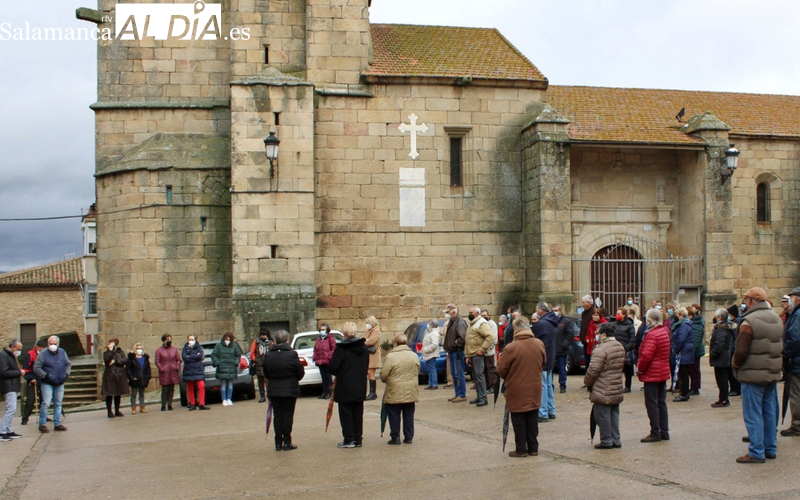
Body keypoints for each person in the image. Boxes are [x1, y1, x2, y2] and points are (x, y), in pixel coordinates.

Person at [732, 287, 783, 464]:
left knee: (753, 413)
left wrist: (736, 366)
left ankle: (756, 451)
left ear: (750, 302)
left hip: (753, 373)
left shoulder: (749, 321)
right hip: (771, 372)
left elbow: (741, 350)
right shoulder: (776, 318)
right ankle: (770, 447)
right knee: (769, 412)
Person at [497, 317, 546, 457]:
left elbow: (501, 369)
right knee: (532, 417)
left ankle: (521, 449)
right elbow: (544, 362)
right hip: (535, 385)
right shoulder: (539, 343)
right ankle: (533, 447)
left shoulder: (511, 347)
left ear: (516, 330)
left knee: (518, 418)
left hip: (516, 387)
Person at [262, 330, 304, 451]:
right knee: (287, 415)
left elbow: (266, 372)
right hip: (289, 388)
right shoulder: (292, 354)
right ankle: (287, 441)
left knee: (278, 415)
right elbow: (299, 372)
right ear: (287, 340)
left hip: (274, 388)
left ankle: (278, 441)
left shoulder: (269, 355)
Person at [584, 323, 625, 449]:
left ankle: (606, 440)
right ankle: (615, 439)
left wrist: (587, 382)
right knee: (614, 414)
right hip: (616, 385)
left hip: (602, 387)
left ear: (604, 335)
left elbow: (594, 370)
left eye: (598, 333)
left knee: (602, 415)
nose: (596, 335)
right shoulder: (619, 346)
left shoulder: (600, 349)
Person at [329, 321, 369, 448]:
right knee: (358, 413)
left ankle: (349, 439)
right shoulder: (364, 348)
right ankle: (358, 438)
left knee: (346, 413)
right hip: (359, 384)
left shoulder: (342, 349)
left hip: (345, 385)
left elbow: (333, 368)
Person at [637, 309, 671, 442]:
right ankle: (664, 431)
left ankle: (655, 432)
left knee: (652, 403)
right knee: (661, 402)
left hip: (653, 372)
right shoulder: (663, 332)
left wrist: (640, 368)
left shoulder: (652, 335)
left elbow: (647, 355)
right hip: (662, 371)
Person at [381, 332, 421, 445]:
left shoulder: (390, 357)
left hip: (394, 389)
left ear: (395, 343)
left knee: (394, 414)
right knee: (408, 414)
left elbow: (384, 375)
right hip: (410, 389)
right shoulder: (414, 355)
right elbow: (417, 370)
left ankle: (395, 437)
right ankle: (409, 436)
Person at [33, 336, 71, 433]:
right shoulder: (43, 354)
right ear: (47, 344)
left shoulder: (62, 352)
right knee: (46, 403)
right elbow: (37, 368)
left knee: (58, 403)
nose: (53, 346)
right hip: (47, 382)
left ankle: (57, 423)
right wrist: (45, 376)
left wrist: (66, 374)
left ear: (58, 344)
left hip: (60, 382)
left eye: (55, 344)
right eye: (51, 344)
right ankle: (42, 424)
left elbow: (68, 364)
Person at [532, 302, 558, 421]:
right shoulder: (552, 322)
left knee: (542, 385)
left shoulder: (541, 324)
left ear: (540, 311)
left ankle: (543, 413)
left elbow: (533, 340)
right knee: (547, 384)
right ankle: (551, 410)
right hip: (550, 357)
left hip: (542, 358)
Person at [780, 286, 800, 436]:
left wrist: (786, 355)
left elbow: (794, 338)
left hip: (797, 361)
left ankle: (797, 425)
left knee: (796, 394)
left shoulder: (797, 315)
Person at [465, 306, 493, 407]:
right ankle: (479, 396)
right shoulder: (472, 324)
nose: (469, 314)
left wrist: (482, 349)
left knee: (480, 376)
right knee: (476, 377)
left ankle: (483, 398)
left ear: (476, 313)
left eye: (471, 312)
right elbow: (468, 341)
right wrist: (468, 355)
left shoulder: (481, 323)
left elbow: (490, 337)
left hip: (477, 354)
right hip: (472, 354)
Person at [709, 308, 735, 408]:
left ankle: (724, 399)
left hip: (721, 358)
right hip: (723, 357)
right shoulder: (724, 328)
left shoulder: (722, 329)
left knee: (722, 380)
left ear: (719, 317)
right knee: (722, 379)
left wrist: (713, 353)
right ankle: (723, 398)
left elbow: (719, 345)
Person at [442, 303, 468, 403]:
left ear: (453, 311)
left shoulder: (459, 322)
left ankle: (462, 394)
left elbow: (462, 337)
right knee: (454, 373)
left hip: (457, 351)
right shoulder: (452, 321)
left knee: (458, 373)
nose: (447, 314)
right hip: (452, 350)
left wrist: (455, 344)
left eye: (448, 312)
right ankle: (457, 393)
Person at [0, 340, 24, 441]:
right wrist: (19, 372)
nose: (19, 351)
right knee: (11, 409)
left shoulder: (10, 356)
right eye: (18, 349)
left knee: (10, 409)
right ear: (12, 347)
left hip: (12, 385)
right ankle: (2, 432)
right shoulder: (4, 356)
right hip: (8, 386)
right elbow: (4, 372)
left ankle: (9, 430)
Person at [211, 332, 243, 406]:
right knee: (223, 384)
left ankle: (229, 399)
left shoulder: (234, 346)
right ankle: (224, 399)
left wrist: (236, 362)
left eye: (229, 339)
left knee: (230, 385)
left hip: (231, 368)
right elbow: (213, 355)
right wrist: (217, 362)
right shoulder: (219, 346)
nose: (227, 340)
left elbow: (238, 355)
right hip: (222, 368)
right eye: (226, 339)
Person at [20, 339, 46, 425]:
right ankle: (25, 418)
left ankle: (43, 416)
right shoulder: (30, 354)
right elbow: (26, 368)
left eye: (43, 347)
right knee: (30, 401)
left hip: (43, 380)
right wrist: (30, 378)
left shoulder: (46, 355)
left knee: (44, 401)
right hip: (33, 380)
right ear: (36, 347)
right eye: (40, 347)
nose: (41, 349)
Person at [101, 338, 129, 418]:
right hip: (110, 376)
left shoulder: (120, 352)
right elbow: (107, 360)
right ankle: (109, 411)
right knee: (109, 394)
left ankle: (117, 410)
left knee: (118, 394)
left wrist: (115, 361)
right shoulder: (106, 353)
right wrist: (110, 351)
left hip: (119, 375)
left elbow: (124, 360)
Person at [671, 308, 694, 402]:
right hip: (685, 351)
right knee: (683, 373)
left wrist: (676, 350)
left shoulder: (684, 325)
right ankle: (684, 392)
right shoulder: (684, 324)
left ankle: (684, 394)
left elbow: (681, 339)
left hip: (683, 352)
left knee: (683, 374)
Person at [182, 334, 209, 411]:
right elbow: (184, 358)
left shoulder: (199, 347)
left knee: (201, 386)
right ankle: (192, 404)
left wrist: (189, 356)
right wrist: (194, 356)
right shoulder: (185, 348)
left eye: (192, 339)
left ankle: (201, 403)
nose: (191, 341)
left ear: (195, 340)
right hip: (188, 370)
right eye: (189, 339)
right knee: (190, 387)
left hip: (198, 369)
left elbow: (199, 356)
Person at [613, 306, 636, 393]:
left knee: (627, 370)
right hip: (615, 349)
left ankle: (627, 386)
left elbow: (632, 338)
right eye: (617, 313)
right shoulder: (614, 324)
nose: (617, 315)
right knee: (615, 370)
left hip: (625, 350)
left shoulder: (629, 325)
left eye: (619, 313)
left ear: (624, 315)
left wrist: (627, 347)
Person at [155, 334, 180, 411]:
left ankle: (169, 404)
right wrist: (161, 368)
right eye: (167, 339)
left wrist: (177, 366)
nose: (169, 340)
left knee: (171, 389)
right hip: (164, 372)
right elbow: (157, 361)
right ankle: (163, 405)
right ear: (163, 340)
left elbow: (178, 359)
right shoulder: (159, 350)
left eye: (170, 339)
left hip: (173, 371)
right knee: (165, 389)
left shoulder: (174, 349)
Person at [553, 304, 576, 393]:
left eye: (556, 310)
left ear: (560, 311)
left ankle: (563, 385)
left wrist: (564, 345)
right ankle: (550, 386)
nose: (554, 312)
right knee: (550, 369)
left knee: (562, 368)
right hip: (552, 349)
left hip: (561, 349)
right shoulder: (551, 321)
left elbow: (570, 334)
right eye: (553, 310)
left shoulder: (566, 321)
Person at [126, 343, 151, 414]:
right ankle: (133, 407)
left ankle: (142, 407)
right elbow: (128, 369)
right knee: (133, 394)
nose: (139, 350)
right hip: (135, 379)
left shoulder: (145, 358)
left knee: (142, 394)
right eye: (138, 348)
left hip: (143, 378)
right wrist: (131, 377)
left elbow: (148, 368)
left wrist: (148, 377)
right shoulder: (132, 359)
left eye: (140, 348)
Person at [312, 325, 335, 399]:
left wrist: (329, 356)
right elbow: (315, 349)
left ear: (327, 330)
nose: (322, 331)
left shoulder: (330, 339)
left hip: (327, 361)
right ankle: (324, 392)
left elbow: (334, 349)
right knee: (323, 377)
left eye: (323, 329)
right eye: (321, 329)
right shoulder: (318, 339)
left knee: (328, 377)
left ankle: (329, 392)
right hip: (320, 361)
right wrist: (315, 357)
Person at [688, 303, 705, 395]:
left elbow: (696, 339)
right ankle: (693, 387)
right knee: (692, 370)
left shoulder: (697, 324)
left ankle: (695, 388)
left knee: (694, 370)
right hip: (692, 350)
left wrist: (692, 352)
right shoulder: (693, 323)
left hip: (695, 351)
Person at [251, 329, 272, 403]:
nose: (263, 336)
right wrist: (255, 359)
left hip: (268, 364)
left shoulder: (270, 343)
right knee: (260, 381)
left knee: (268, 381)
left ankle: (269, 395)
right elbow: (252, 353)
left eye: (264, 335)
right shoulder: (256, 342)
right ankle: (262, 396)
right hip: (259, 364)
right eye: (262, 335)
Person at [363, 315, 382, 401]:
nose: (367, 324)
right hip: (368, 355)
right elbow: (363, 339)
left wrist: (365, 341)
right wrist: (365, 340)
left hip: (373, 356)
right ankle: (372, 392)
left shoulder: (376, 331)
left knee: (371, 373)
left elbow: (371, 341)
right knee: (369, 373)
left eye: (368, 323)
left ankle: (372, 393)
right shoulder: (369, 331)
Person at [480, 310, 499, 393]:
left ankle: (493, 385)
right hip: (483, 350)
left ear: (488, 315)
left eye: (485, 315)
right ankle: (487, 385)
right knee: (485, 369)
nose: (484, 317)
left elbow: (494, 338)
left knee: (490, 368)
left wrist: (488, 348)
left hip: (489, 350)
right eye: (482, 315)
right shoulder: (482, 324)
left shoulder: (492, 324)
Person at [727, 304, 742, 397]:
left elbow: (735, 338)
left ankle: (736, 389)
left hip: (732, 350)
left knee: (732, 372)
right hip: (731, 349)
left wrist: (731, 348)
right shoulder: (734, 322)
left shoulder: (735, 323)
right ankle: (734, 388)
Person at [421, 320, 441, 390]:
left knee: (432, 369)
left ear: (432, 325)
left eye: (429, 324)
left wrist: (426, 350)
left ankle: (434, 384)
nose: (428, 325)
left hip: (431, 354)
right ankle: (430, 383)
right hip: (428, 354)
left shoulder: (434, 333)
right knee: (429, 370)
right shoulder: (429, 332)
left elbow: (434, 344)